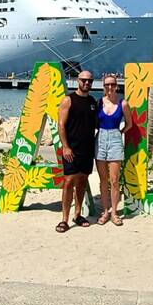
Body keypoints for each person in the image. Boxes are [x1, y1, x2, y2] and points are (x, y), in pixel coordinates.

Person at [55, 70, 98, 233]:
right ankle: (64, 220)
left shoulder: (92, 101)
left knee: (82, 181)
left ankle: (77, 214)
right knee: (68, 183)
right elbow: (61, 125)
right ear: (77, 80)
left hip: (87, 149)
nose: (87, 83)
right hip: (71, 149)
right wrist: (65, 146)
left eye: (90, 81)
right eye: (84, 80)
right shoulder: (68, 100)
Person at [93, 73, 128, 226]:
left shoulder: (123, 103)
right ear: (103, 86)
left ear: (117, 86)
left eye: (112, 84)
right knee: (103, 180)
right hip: (100, 139)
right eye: (107, 84)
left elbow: (129, 123)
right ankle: (105, 211)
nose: (110, 87)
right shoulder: (99, 102)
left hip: (115, 138)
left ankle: (114, 212)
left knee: (114, 180)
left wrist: (119, 133)